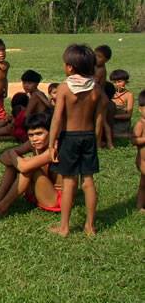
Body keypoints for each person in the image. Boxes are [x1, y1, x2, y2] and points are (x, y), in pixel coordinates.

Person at [49, 44, 106, 237]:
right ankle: (90, 226)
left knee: (69, 183)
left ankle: (64, 227)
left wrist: (51, 143)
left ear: (71, 67)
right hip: (88, 137)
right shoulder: (96, 88)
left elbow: (57, 118)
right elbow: (98, 118)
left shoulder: (65, 88)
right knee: (88, 182)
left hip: (70, 138)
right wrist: (97, 139)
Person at [0, 112, 61, 216]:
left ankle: (1, 207)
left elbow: (23, 167)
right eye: (31, 135)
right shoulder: (33, 144)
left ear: (51, 133)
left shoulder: (52, 149)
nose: (35, 139)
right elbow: (3, 158)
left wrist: (14, 154)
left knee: (28, 166)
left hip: (55, 199)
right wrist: (16, 158)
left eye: (39, 134)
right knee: (17, 163)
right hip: (37, 193)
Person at [131, 90, 145, 212]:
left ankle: (140, 206)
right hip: (143, 161)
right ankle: (140, 206)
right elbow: (134, 140)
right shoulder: (140, 124)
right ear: (140, 109)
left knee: (143, 184)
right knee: (143, 185)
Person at [110, 69, 134, 138]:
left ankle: (129, 135)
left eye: (120, 82)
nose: (117, 84)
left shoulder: (129, 95)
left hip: (122, 122)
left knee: (112, 135)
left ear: (126, 81)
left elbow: (128, 115)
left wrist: (113, 117)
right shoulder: (110, 92)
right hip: (110, 121)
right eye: (114, 82)